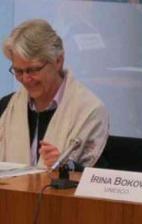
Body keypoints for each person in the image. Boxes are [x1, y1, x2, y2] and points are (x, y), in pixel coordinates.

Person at [0, 19, 109, 169]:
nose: (25, 79)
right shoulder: (7, 107)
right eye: (18, 71)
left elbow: (94, 180)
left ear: (58, 61)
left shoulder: (89, 110)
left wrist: (66, 166)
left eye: (33, 70)